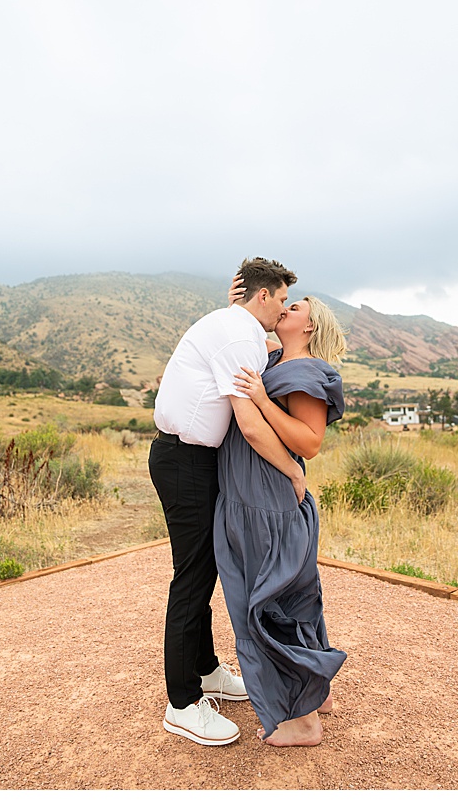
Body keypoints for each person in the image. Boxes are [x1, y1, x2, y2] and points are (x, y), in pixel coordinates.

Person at [151, 257, 306, 746]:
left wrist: (240, 306)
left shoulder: (233, 324)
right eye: (281, 299)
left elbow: (257, 344)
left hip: (191, 459)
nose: (283, 309)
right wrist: (292, 471)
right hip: (185, 462)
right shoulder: (239, 335)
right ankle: (182, 704)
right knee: (192, 579)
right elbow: (252, 425)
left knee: (205, 569)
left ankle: (206, 670)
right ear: (263, 296)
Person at [214, 282, 348, 747]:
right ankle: (315, 693)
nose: (284, 308)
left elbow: (309, 442)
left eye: (294, 307)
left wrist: (264, 401)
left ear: (308, 326)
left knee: (267, 598)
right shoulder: (276, 358)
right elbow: (248, 329)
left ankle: (302, 721)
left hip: (265, 496)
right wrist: (239, 304)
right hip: (257, 490)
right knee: (291, 594)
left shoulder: (305, 370)